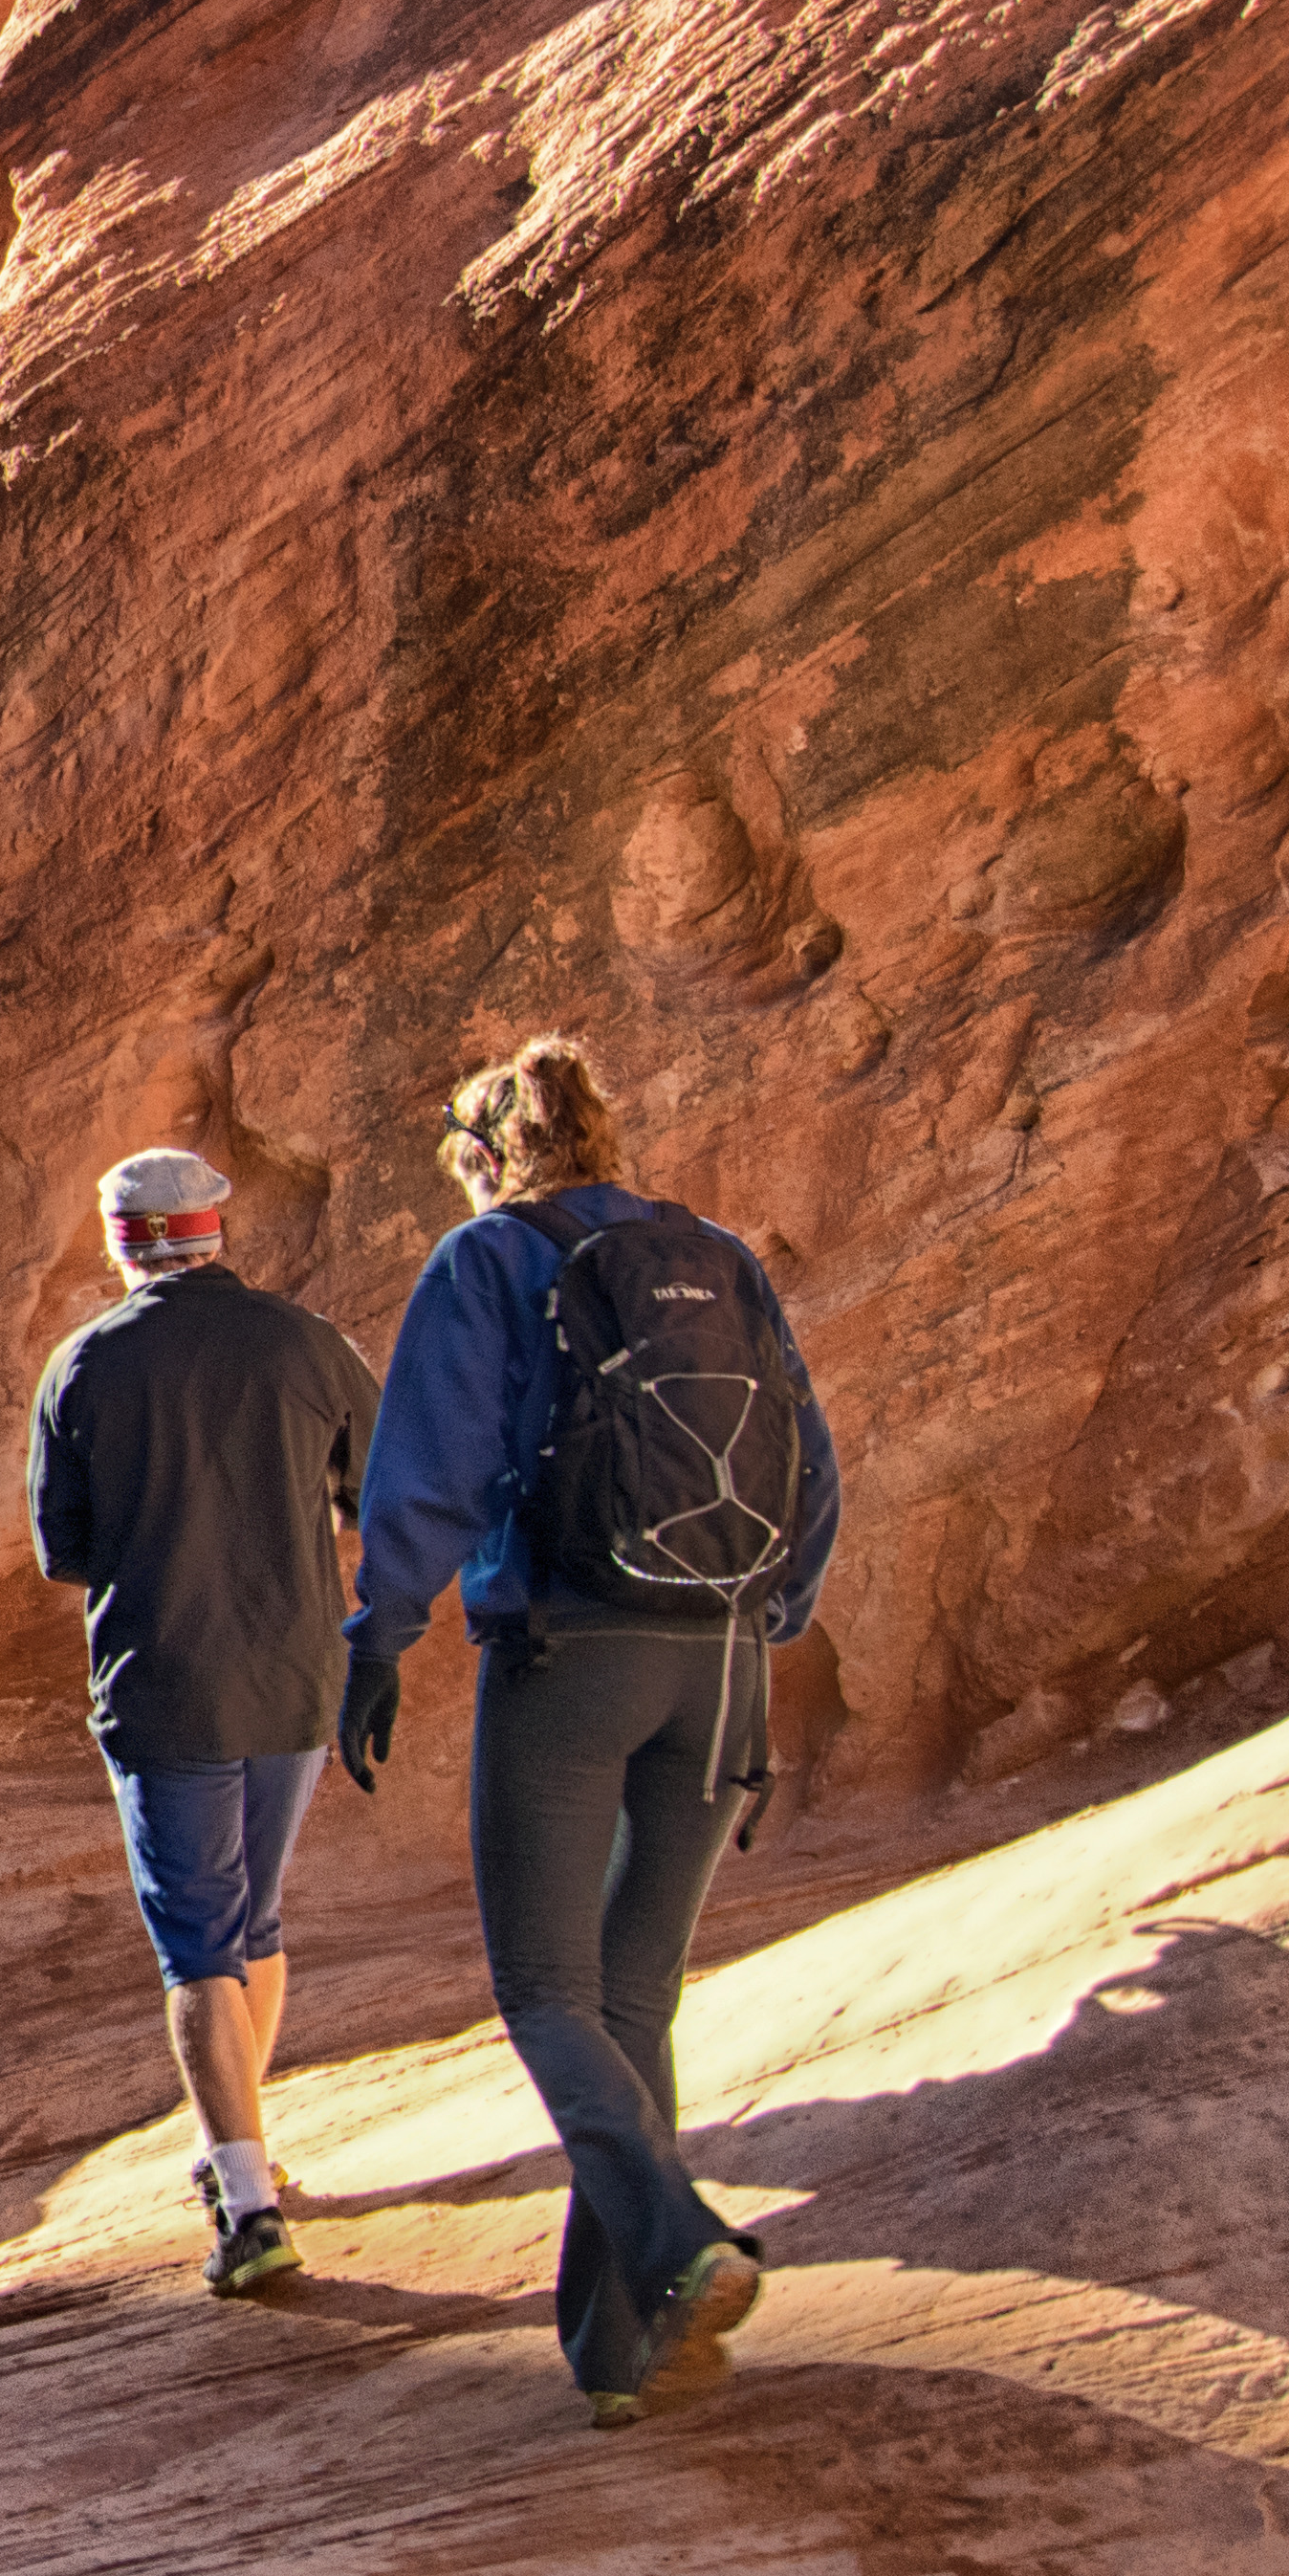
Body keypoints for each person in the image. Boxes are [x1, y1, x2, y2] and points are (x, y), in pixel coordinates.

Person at [343, 1036, 841, 2430]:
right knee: (635, 1999)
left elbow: (428, 1475)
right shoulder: (719, 1256)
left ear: (487, 1159)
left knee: (547, 1991)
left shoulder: (493, 1258)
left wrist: (380, 1639)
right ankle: (624, 2351)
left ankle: (680, 2244)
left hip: (571, 1652)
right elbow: (815, 1465)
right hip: (725, 1661)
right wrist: (761, 1626)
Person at [30, 1146, 381, 2298]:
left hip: (165, 1684)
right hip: (294, 1676)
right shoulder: (307, 1343)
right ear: (217, 1228)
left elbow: (66, 1551)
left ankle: (246, 2201)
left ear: (124, 1243)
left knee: (196, 1946)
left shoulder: (83, 1366)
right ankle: (248, 2149)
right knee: (253, 1920)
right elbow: (372, 1490)